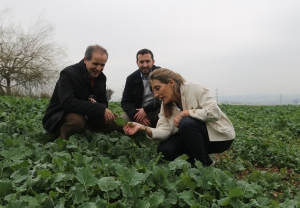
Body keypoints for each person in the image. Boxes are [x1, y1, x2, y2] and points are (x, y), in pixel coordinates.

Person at [123, 68, 235, 167]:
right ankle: (205, 160)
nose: (156, 95)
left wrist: (186, 113)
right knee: (165, 150)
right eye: (154, 90)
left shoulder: (195, 88)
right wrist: (143, 128)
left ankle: (202, 169)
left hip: (219, 137)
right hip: (194, 138)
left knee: (186, 122)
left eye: (158, 88)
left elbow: (214, 112)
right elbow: (164, 131)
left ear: (171, 83)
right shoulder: (166, 105)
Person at [42, 44, 121, 139]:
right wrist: (97, 107)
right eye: (95, 64)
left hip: (88, 116)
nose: (99, 68)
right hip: (59, 117)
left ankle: (87, 133)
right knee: (76, 120)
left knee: (116, 119)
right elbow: (67, 103)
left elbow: (103, 103)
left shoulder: (101, 78)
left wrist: (99, 106)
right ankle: (63, 141)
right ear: (85, 60)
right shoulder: (68, 74)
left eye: (102, 65)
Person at [121, 49, 162, 128]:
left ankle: (151, 128)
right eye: (141, 62)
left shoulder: (161, 74)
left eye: (147, 61)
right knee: (121, 122)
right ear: (137, 63)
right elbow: (125, 102)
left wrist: (146, 110)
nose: (145, 65)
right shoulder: (131, 78)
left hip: (156, 110)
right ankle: (144, 126)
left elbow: (165, 97)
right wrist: (136, 114)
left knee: (167, 115)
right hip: (138, 112)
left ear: (153, 62)